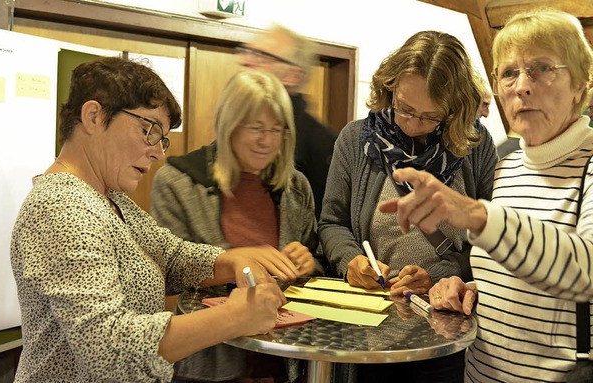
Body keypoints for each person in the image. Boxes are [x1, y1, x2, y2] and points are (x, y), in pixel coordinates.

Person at [10, 57, 287, 383]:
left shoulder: (110, 198)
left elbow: (168, 256)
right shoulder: (61, 210)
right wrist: (235, 317)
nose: (159, 153)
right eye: (148, 130)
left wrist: (231, 262)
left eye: (162, 137)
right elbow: (107, 347)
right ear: (94, 117)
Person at [379, 9, 593, 382]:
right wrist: (469, 288)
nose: (522, 86)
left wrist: (478, 216)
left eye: (542, 68)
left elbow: (585, 271)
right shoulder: (507, 167)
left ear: (580, 85)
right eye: (509, 72)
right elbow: (524, 274)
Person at [318, 30, 498, 382]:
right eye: (404, 109)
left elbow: (490, 240)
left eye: (431, 116)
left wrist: (443, 275)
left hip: (447, 335)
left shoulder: (475, 146)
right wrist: (350, 262)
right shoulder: (356, 140)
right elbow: (331, 223)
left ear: (455, 110)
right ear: (389, 88)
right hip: (368, 334)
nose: (414, 126)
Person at [151, 70, 321, 382]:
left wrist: (309, 263)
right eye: (255, 128)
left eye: (276, 130)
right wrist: (238, 259)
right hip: (208, 364)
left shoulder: (296, 187)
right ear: (229, 125)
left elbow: (316, 262)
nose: (266, 141)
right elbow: (166, 275)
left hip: (282, 363)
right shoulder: (177, 182)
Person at [236, 23, 337, 220]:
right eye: (246, 52)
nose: (245, 61)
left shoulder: (324, 144)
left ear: (293, 75)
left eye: (261, 56)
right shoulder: (237, 121)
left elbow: (327, 224)